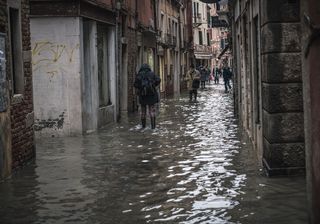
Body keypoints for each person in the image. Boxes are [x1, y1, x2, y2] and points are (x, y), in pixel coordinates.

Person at [134, 64, 161, 129]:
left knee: (143, 111)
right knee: (152, 111)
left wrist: (141, 87)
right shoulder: (152, 74)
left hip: (142, 95)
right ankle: (153, 127)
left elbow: (135, 84)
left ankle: (143, 127)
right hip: (151, 95)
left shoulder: (139, 75)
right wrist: (153, 85)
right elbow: (159, 80)